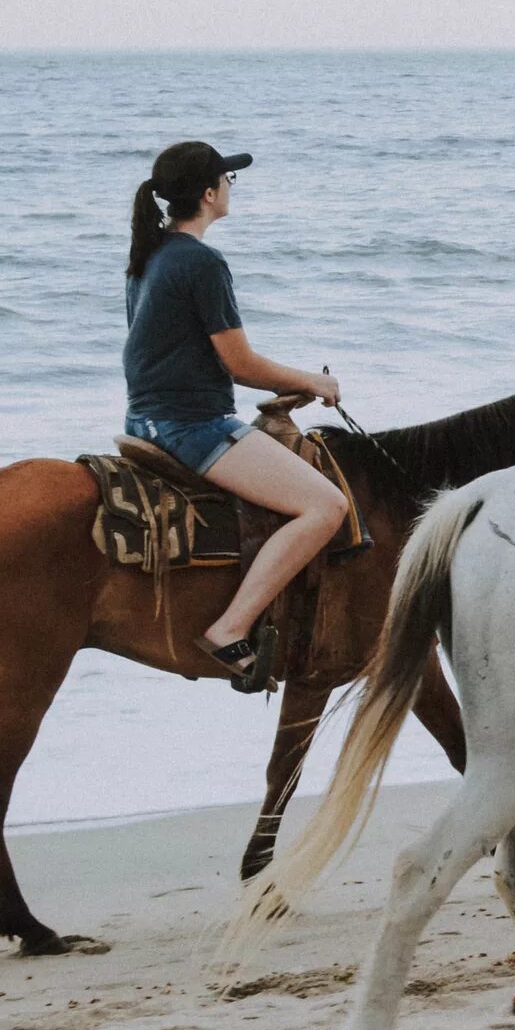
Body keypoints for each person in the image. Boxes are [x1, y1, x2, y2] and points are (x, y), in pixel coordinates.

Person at [122, 140, 349, 693]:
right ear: (207, 193)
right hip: (191, 424)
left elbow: (178, 355)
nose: (230, 188)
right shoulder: (200, 261)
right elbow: (240, 363)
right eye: (227, 179)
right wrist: (310, 381)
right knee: (327, 506)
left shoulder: (150, 255)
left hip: (147, 417)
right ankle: (230, 627)